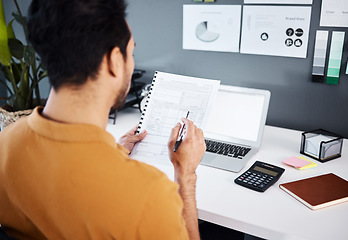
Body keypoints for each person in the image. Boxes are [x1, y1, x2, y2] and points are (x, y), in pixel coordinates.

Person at [0, 0, 206, 239]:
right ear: (115, 61)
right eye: (131, 53)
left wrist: (113, 152)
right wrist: (186, 175)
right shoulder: (150, 194)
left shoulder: (6, 143)